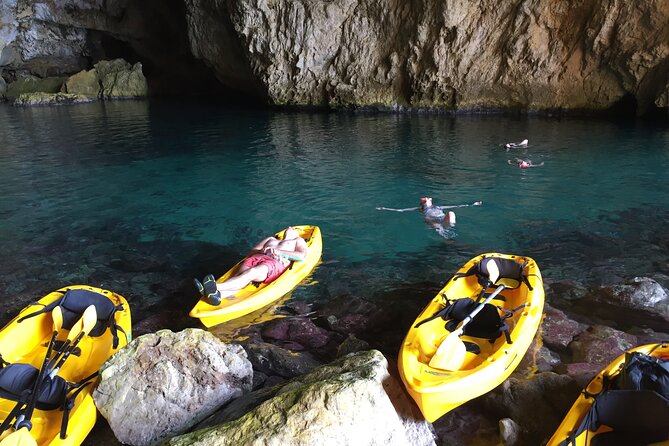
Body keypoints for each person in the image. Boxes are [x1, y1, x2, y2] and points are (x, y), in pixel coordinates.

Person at [194, 226, 308, 304]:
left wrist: (279, 252)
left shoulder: (297, 240)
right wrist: (264, 250)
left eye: (293, 229)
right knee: (240, 277)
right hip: (256, 258)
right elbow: (253, 251)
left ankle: (215, 286)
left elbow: (301, 255)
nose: (290, 227)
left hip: (274, 262)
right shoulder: (271, 239)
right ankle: (217, 296)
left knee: (250, 273)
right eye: (289, 227)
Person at [376, 197, 482, 238]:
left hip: (441, 218)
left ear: (431, 201)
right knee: (437, 227)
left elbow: (456, 206)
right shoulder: (420, 209)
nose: (426, 200)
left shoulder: (438, 207)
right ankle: (445, 234)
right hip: (430, 220)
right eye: (425, 200)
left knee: (451, 213)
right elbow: (401, 210)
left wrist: (472, 204)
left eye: (427, 199)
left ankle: (449, 227)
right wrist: (384, 208)